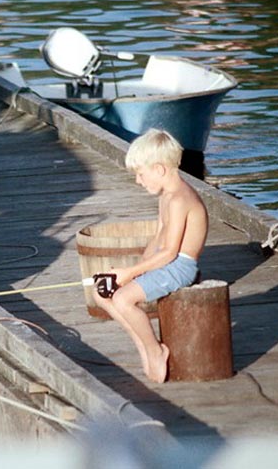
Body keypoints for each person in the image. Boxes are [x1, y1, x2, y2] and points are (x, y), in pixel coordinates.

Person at [93, 128, 208, 383]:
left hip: (180, 267)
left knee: (123, 300)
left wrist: (130, 274)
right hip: (166, 263)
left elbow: (169, 252)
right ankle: (143, 343)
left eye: (140, 173)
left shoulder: (180, 199)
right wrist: (138, 268)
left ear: (159, 169)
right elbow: (157, 240)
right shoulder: (166, 196)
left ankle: (155, 350)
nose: (138, 180)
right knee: (102, 293)